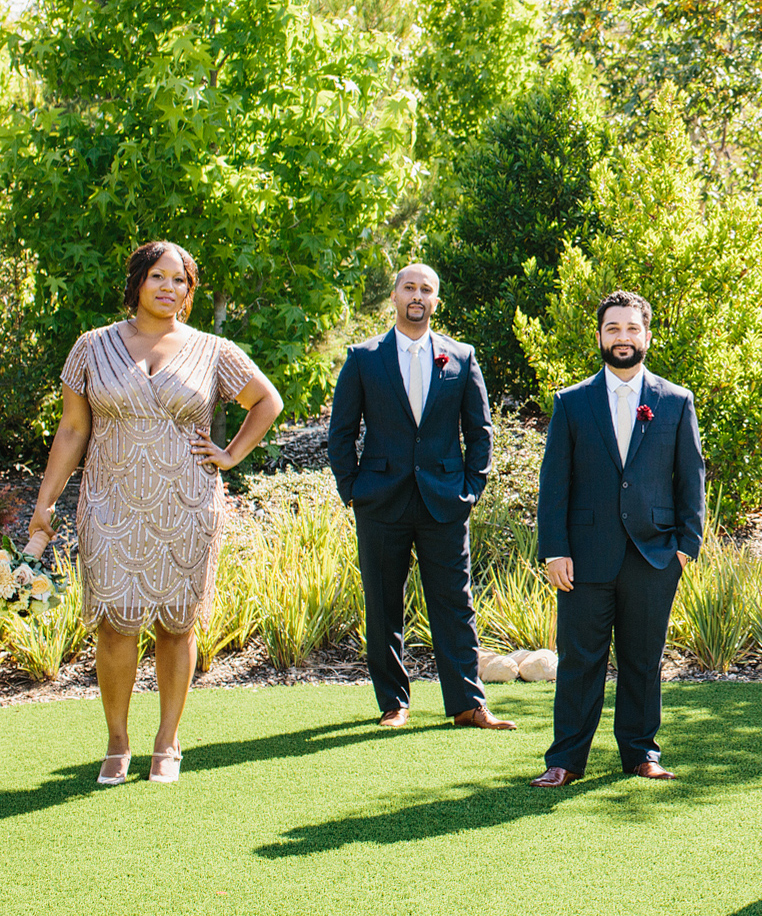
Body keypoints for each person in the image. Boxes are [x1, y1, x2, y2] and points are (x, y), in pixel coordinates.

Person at [23, 241, 283, 784]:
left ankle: (167, 740)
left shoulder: (214, 349)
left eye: (180, 280)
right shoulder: (91, 348)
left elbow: (267, 401)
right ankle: (117, 740)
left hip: (187, 503)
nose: (169, 288)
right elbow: (72, 429)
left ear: (190, 292)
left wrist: (230, 453)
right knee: (116, 624)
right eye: (158, 277)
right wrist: (45, 503)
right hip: (109, 502)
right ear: (138, 281)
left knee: (177, 624)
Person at [326, 264, 515, 732]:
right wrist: (353, 491)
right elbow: (341, 433)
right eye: (409, 287)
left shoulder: (461, 357)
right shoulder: (363, 357)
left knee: (456, 603)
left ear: (436, 302)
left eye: (426, 289)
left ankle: (468, 704)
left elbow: (481, 431)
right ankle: (394, 704)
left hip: (445, 501)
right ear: (394, 296)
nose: (417, 295)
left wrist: (471, 489)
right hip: (380, 502)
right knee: (384, 605)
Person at [530, 290, 705, 786]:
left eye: (632, 329)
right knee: (580, 660)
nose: (623, 338)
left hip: (654, 555)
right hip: (584, 557)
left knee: (643, 659)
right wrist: (554, 549)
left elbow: (690, 478)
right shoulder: (572, 402)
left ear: (647, 335)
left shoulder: (675, 401)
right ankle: (564, 760)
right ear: (600, 336)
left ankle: (641, 752)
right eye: (613, 329)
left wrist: (685, 548)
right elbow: (554, 482)